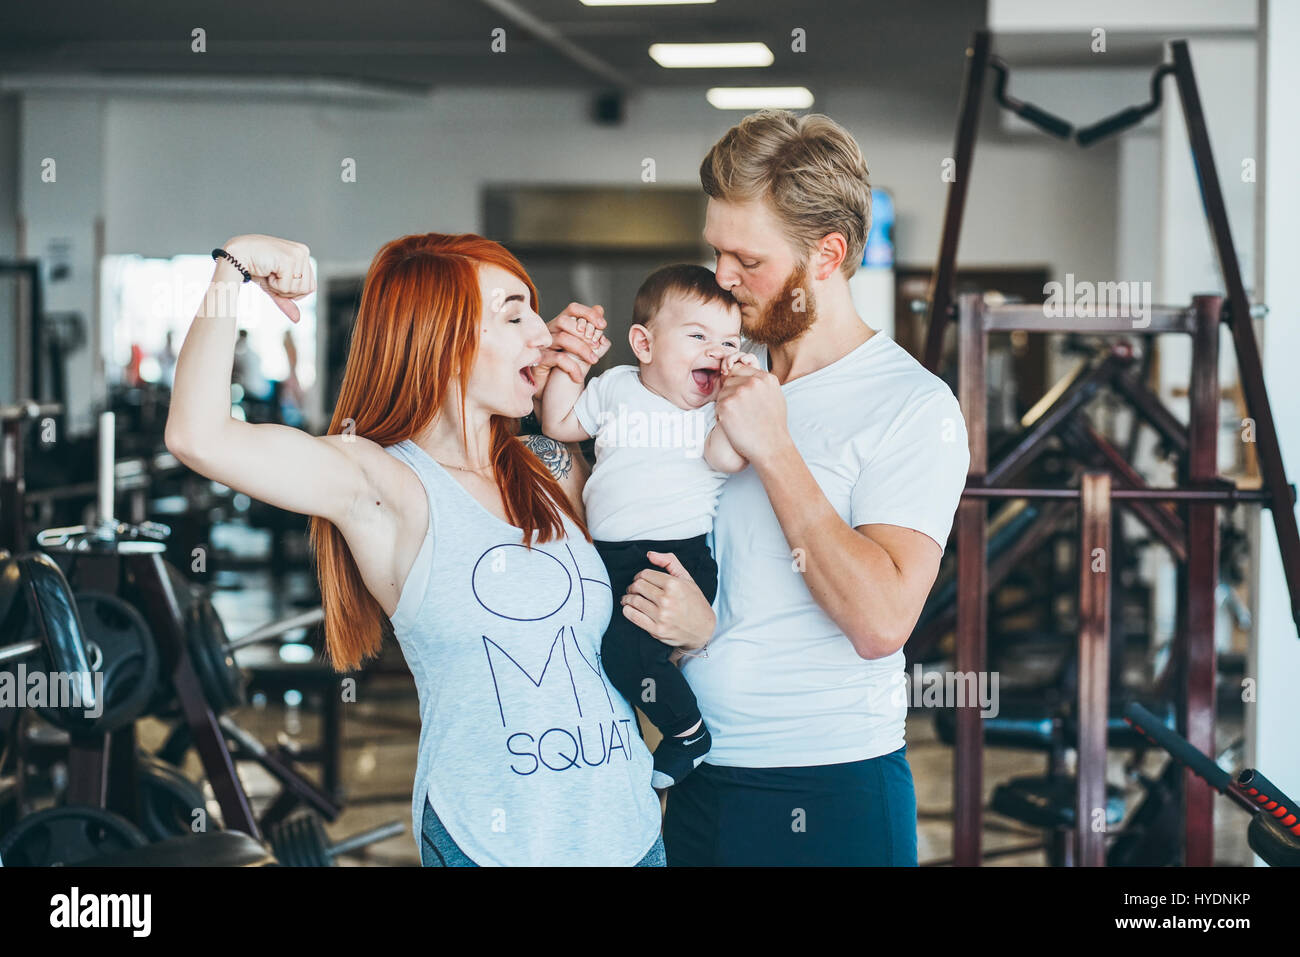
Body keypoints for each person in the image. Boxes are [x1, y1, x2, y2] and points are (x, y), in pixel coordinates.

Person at [166, 231, 680, 866]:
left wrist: (559, 384)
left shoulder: (547, 469)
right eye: (513, 314)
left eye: (534, 313)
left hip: (628, 831)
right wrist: (234, 268)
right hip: (491, 845)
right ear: (443, 336)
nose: (541, 333)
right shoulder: (385, 484)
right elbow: (199, 435)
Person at [645, 111, 971, 865]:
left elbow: (881, 620)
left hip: (829, 789)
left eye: (746, 259)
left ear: (827, 255)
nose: (722, 277)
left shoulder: (912, 406)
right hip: (696, 775)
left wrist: (776, 448)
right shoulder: (708, 370)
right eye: (715, 251)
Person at [539, 263, 756, 789]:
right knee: (597, 650)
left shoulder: (708, 415)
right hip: (607, 556)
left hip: (675, 559)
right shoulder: (614, 386)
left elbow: (729, 460)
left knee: (630, 651)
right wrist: (570, 365)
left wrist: (734, 398)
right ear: (644, 343)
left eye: (730, 341)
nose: (717, 351)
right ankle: (622, 747)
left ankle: (687, 733)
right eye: (698, 336)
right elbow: (558, 424)